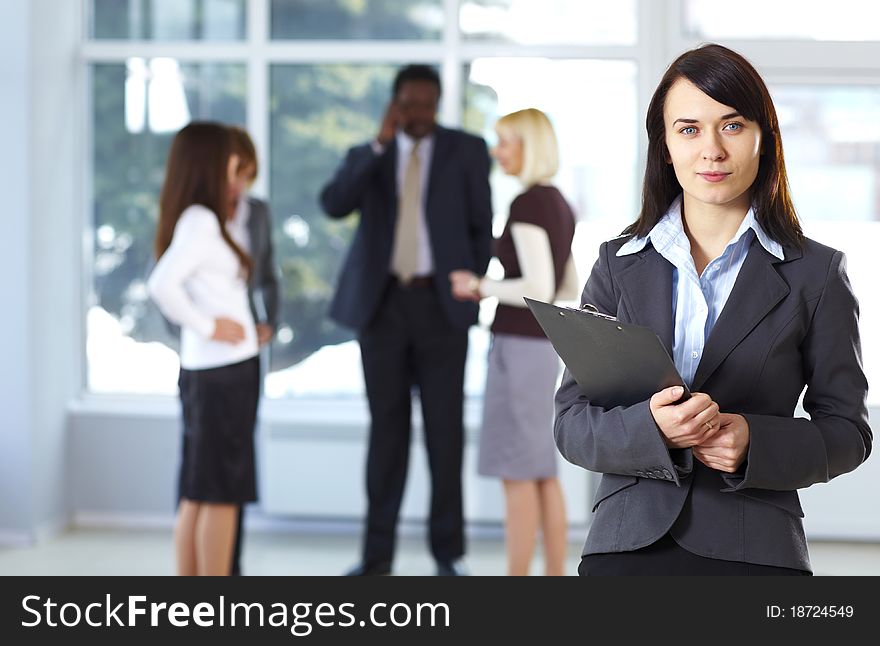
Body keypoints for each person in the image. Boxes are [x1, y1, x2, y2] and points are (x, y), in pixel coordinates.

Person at [554, 43, 872, 575]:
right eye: (688, 129)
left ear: (762, 139)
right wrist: (653, 431)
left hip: (757, 549)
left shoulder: (816, 274)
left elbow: (848, 432)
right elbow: (571, 424)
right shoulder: (617, 265)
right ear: (665, 145)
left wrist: (755, 442)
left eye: (731, 125)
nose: (711, 151)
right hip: (626, 544)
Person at [320, 64, 493, 576]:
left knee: (445, 436)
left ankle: (447, 556)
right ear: (395, 104)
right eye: (410, 104)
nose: (420, 114)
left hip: (442, 310)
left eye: (428, 104)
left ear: (438, 103)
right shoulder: (369, 154)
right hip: (384, 310)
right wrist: (380, 142)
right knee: (386, 436)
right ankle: (376, 559)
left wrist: (469, 280)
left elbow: (482, 226)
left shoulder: (466, 150)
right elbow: (333, 204)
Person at [449, 108, 578, 576]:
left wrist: (479, 285)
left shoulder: (527, 204)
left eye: (505, 142)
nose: (497, 151)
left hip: (520, 349)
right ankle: (554, 576)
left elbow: (540, 288)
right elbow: (567, 286)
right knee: (541, 471)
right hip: (542, 350)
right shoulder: (558, 202)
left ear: (528, 146)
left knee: (518, 474)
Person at [147, 122, 260, 576]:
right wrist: (209, 325)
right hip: (223, 374)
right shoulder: (202, 220)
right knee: (220, 492)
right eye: (232, 160)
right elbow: (161, 284)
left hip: (211, 372)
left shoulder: (202, 218)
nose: (238, 170)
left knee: (199, 490)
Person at [225, 125, 282, 576]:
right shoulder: (196, 216)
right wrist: (196, 332)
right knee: (204, 472)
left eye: (247, 173)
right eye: (233, 171)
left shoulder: (257, 212)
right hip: (207, 358)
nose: (240, 183)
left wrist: (269, 323)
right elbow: (163, 283)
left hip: (246, 350)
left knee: (237, 461)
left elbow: (268, 276)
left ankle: (232, 562)